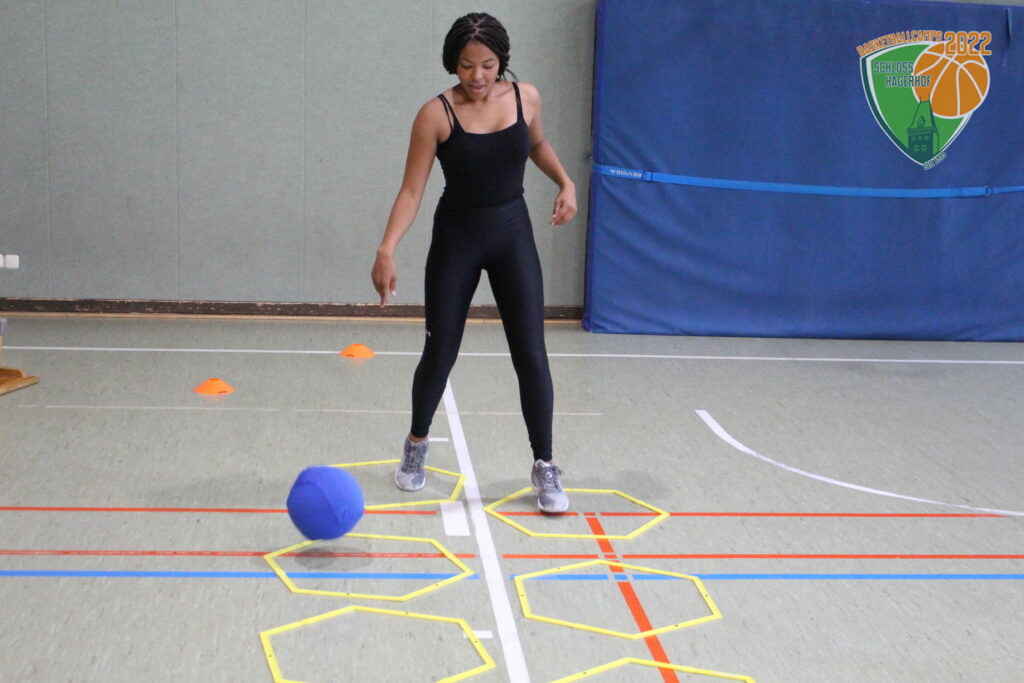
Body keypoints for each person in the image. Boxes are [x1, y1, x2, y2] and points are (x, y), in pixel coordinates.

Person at [371, 12, 577, 513]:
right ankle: (416, 444)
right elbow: (411, 191)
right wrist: (387, 248)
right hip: (457, 238)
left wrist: (565, 181)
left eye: (487, 65)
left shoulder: (526, 97)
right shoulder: (435, 114)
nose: (478, 75)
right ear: (453, 63)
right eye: (466, 65)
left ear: (501, 60)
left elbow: (537, 144)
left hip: (512, 235)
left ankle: (545, 464)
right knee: (440, 350)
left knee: (531, 353)